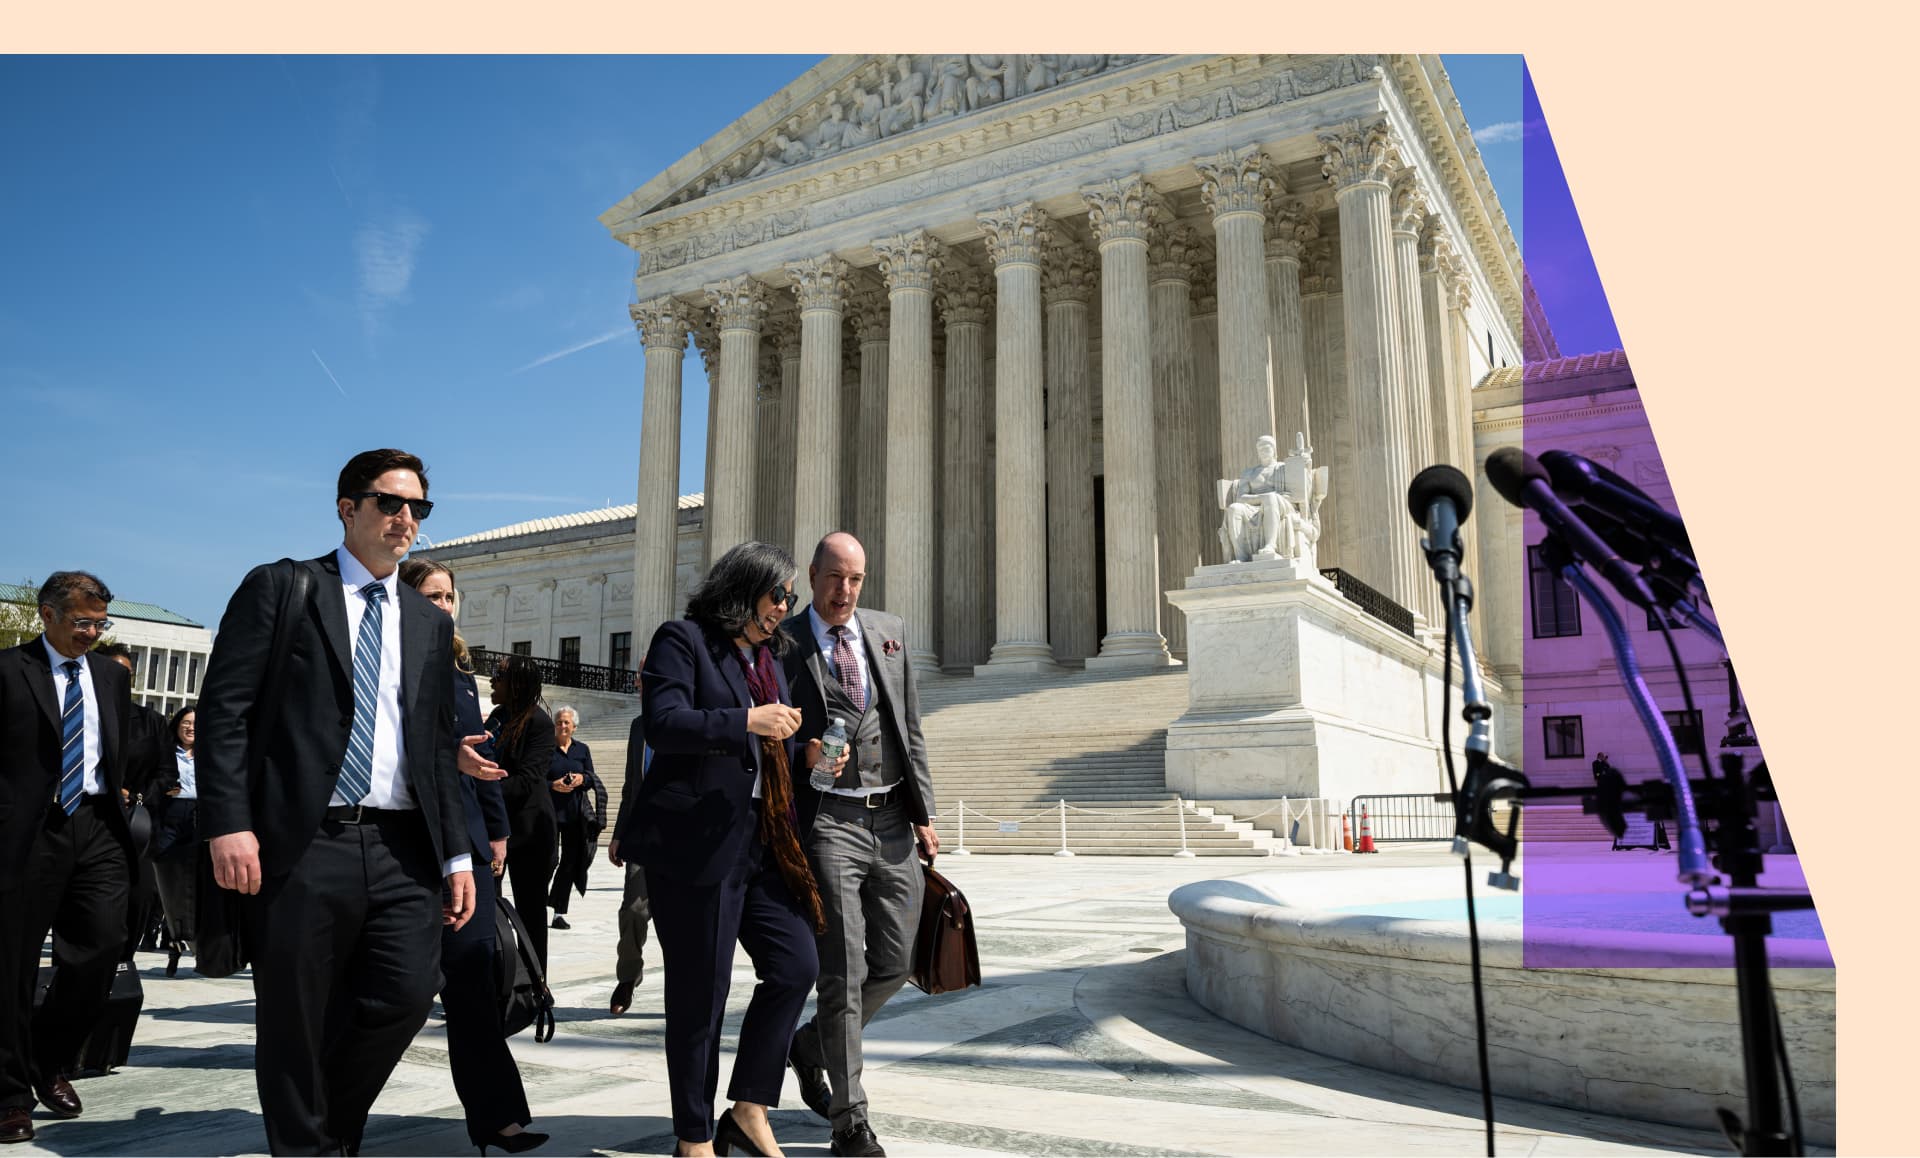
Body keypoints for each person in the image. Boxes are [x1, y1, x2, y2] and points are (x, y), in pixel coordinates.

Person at [196, 448, 476, 1156]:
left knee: (406, 996)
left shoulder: (428, 621)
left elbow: (436, 746)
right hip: (302, 842)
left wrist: (457, 851)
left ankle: (326, 1130)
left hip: (401, 846)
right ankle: (310, 1147)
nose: (405, 519)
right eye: (390, 503)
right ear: (348, 508)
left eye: (418, 507)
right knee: (293, 1016)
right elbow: (224, 712)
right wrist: (229, 822)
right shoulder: (283, 588)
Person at [629, 541, 840, 1157]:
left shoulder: (771, 660)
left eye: (790, 597)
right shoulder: (684, 639)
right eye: (779, 594)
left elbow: (769, 749)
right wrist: (747, 721)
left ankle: (748, 1107)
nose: (786, 607)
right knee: (701, 991)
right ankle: (693, 1137)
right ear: (743, 588)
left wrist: (811, 757)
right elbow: (664, 724)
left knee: (797, 965)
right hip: (696, 844)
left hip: (762, 840)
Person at [780, 534, 939, 1158]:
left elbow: (911, 729)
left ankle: (811, 1044)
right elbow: (770, 737)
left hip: (895, 817)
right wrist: (805, 754)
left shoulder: (888, 632)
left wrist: (924, 813)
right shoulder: (785, 643)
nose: (844, 592)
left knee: (896, 963)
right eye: (834, 578)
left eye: (856, 580)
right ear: (813, 575)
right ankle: (850, 1119)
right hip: (830, 823)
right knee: (842, 973)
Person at [398, 558, 547, 1156]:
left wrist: (497, 831)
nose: (444, 606)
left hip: (466, 845)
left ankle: (497, 1117)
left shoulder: (462, 671)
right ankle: (335, 1114)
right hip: (406, 840)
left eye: (450, 596)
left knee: (475, 981)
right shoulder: (388, 660)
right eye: (431, 596)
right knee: (397, 992)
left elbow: (480, 759)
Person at [0, 572, 137, 1145]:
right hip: (27, 834)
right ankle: (8, 1094)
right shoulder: (8, 670)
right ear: (46, 614)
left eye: (100, 623)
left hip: (98, 825)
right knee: (13, 966)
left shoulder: (109, 674)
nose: (91, 632)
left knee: (102, 948)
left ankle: (46, 1059)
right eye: (82, 621)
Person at [489, 655, 557, 972]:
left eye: (499, 675)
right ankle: (495, 979)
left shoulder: (539, 722)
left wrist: (481, 791)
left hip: (530, 832)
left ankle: (533, 984)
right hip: (497, 828)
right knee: (488, 908)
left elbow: (527, 780)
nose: (492, 680)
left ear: (516, 683)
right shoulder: (499, 717)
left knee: (530, 912)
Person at [605, 683, 651, 1017]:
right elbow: (630, 784)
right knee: (633, 909)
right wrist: (619, 833)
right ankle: (628, 977)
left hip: (684, 838)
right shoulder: (638, 726)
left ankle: (688, 984)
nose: (640, 687)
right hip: (642, 835)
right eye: (639, 680)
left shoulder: (693, 719)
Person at [149, 705, 200, 978]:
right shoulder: (165, 752)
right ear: (177, 724)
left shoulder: (210, 754)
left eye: (195, 723)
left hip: (198, 818)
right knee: (168, 883)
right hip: (170, 815)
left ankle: (186, 941)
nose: (191, 728)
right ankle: (171, 942)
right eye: (186, 722)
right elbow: (153, 780)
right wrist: (163, 788)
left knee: (192, 885)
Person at [545, 706, 603, 931]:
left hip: (573, 814)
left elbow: (591, 778)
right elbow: (537, 778)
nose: (562, 726)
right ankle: (539, 901)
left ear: (574, 726)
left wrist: (581, 779)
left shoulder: (583, 750)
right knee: (549, 861)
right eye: (559, 722)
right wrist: (553, 785)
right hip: (549, 813)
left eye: (566, 722)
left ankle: (559, 912)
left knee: (569, 863)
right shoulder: (546, 749)